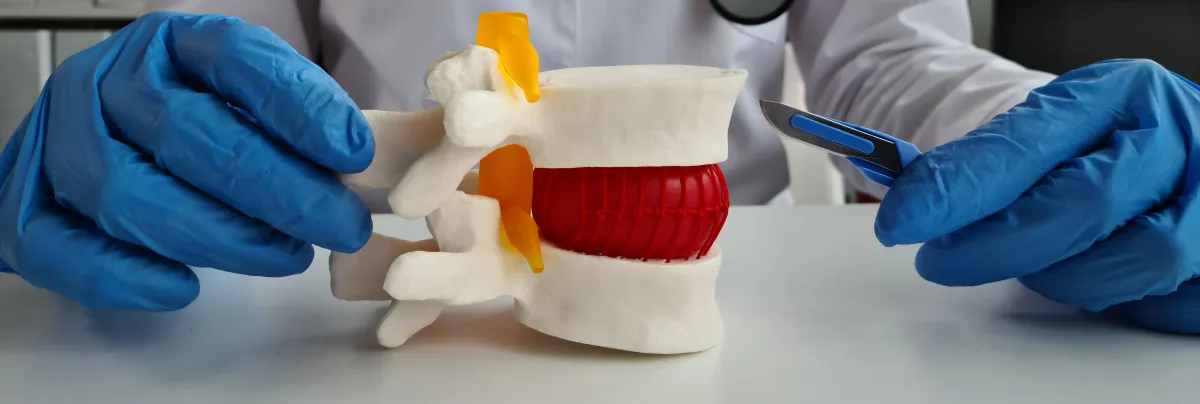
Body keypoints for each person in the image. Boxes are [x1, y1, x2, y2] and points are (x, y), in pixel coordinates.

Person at [0, 1, 1196, 333]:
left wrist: (1050, 136)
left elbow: (890, 51)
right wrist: (145, 116)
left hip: (728, 302)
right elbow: (231, 55)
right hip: (391, 293)